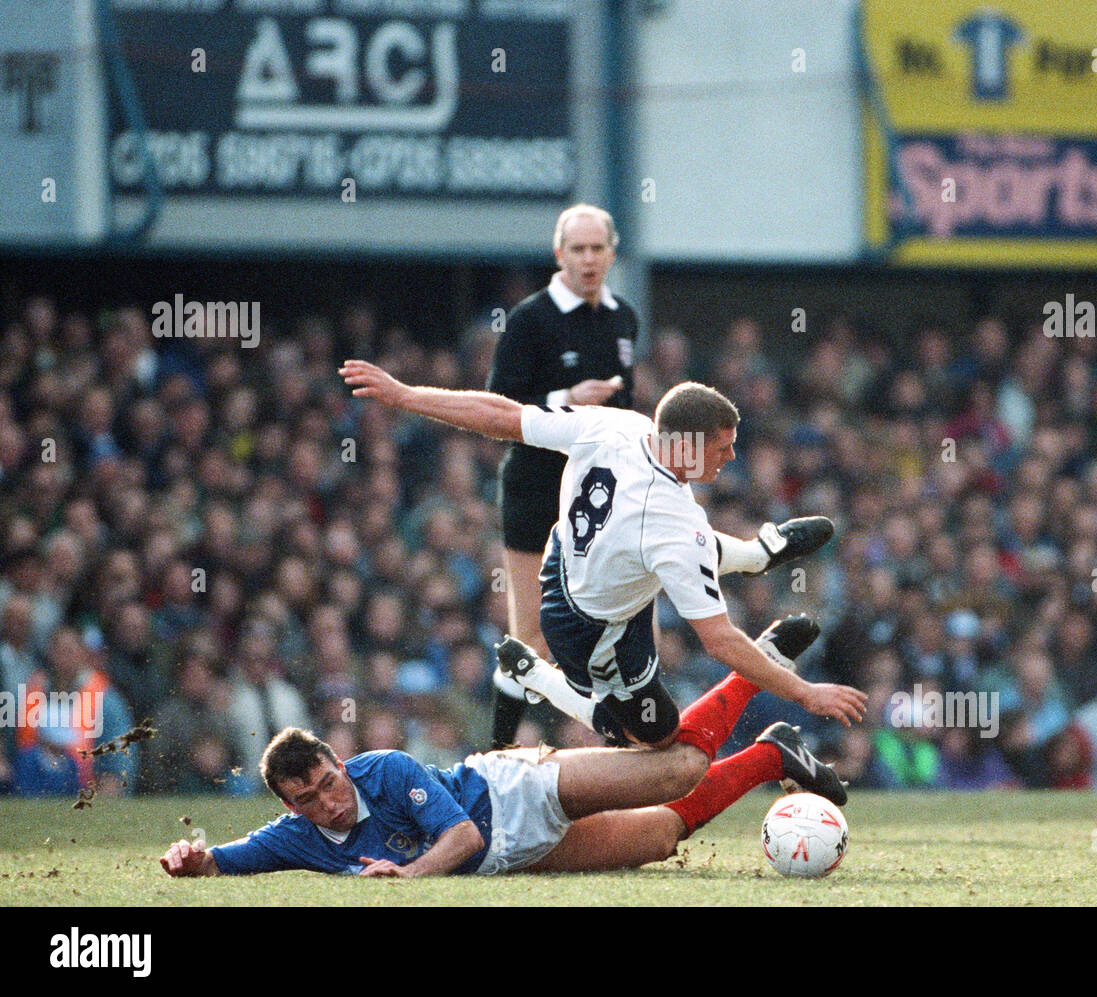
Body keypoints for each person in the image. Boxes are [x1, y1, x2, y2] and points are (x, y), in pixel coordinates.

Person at [338, 360, 867, 749]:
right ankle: (535, 674)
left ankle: (758, 553)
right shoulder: (672, 526)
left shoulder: (619, 425)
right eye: (722, 446)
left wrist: (407, 394)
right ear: (685, 443)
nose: (731, 456)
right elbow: (721, 640)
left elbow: (504, 415)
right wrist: (804, 693)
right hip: (594, 630)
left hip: (569, 557)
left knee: (683, 554)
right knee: (653, 739)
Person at [158, 659, 846, 877]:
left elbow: (462, 838)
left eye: (328, 783)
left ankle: (753, 667)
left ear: (340, 762)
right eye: (307, 800)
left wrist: (408, 876)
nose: (328, 803)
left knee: (671, 771)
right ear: (289, 806)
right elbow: (222, 860)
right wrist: (193, 860)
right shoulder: (297, 836)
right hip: (515, 858)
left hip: (512, 790)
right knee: (662, 835)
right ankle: (770, 755)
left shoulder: (386, 768)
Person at [485, 204, 638, 749]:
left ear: (613, 253)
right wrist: (565, 401)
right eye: (578, 249)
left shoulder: (623, 316)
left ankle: (627, 752)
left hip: (594, 497)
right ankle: (498, 753)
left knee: (617, 633)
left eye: (598, 248)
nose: (589, 258)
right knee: (530, 638)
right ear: (559, 255)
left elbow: (630, 404)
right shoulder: (530, 319)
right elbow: (498, 404)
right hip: (533, 491)